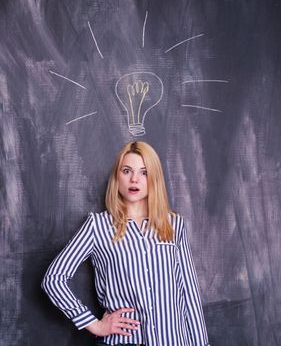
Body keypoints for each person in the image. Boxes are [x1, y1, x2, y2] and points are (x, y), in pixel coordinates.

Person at [42, 141, 210, 346]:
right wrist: (94, 324)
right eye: (127, 170)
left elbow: (189, 293)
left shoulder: (173, 225)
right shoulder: (98, 226)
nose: (134, 179)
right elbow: (53, 279)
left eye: (144, 172)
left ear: (154, 178)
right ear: (117, 177)